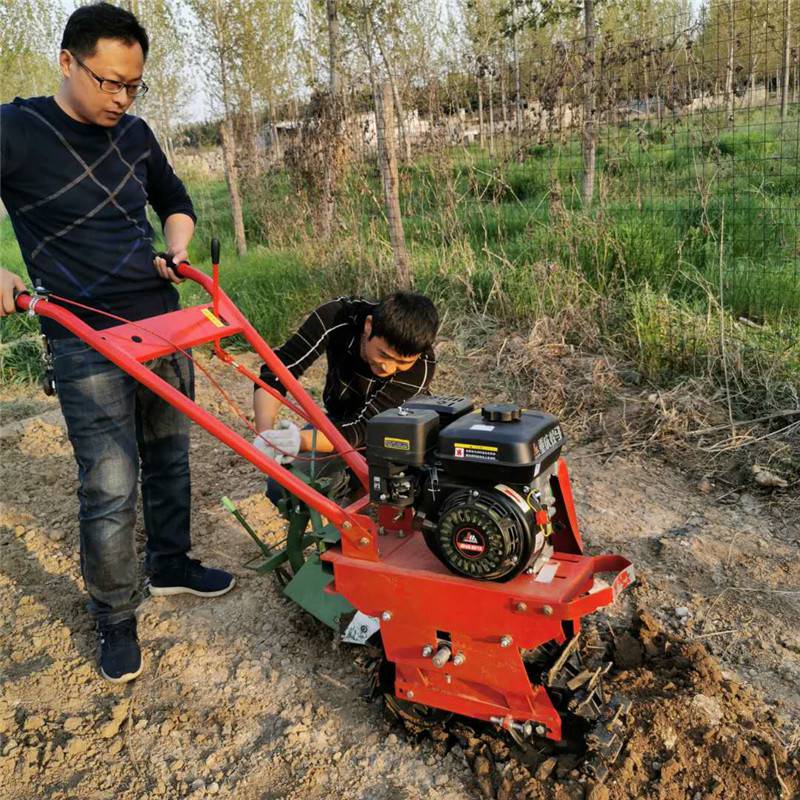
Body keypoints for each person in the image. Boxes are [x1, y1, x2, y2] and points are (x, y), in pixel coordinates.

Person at [0, 3, 234, 684]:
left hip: (160, 319)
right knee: (108, 485)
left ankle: (171, 563)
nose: (122, 98)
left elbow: (175, 199)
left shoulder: (134, 135)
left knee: (169, 456)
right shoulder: (16, 129)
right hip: (81, 334)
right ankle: (112, 613)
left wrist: (178, 247)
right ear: (67, 62)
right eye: (109, 82)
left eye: (134, 84)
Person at [253, 292, 438, 504]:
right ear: (369, 326)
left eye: (401, 363)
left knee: (402, 494)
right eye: (384, 354)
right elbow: (279, 369)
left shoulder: (422, 366)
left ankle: (360, 495)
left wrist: (300, 441)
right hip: (339, 420)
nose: (388, 367)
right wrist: (265, 433)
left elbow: (362, 429)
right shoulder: (337, 317)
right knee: (282, 487)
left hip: (392, 437)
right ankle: (347, 489)